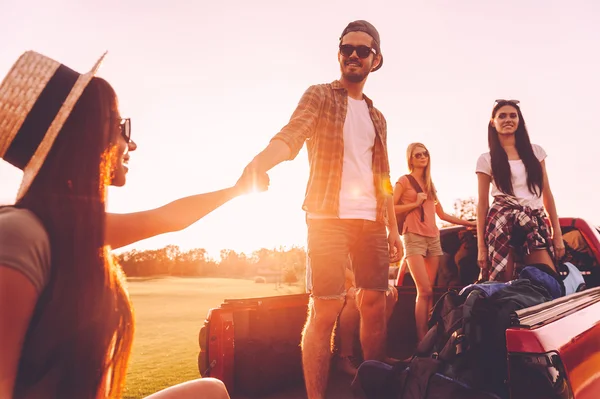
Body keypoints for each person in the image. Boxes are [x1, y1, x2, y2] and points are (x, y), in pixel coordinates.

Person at [0, 51, 267, 399]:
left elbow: (168, 219)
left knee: (210, 392)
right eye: (122, 126)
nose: (132, 143)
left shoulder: (73, 230)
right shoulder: (20, 234)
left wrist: (237, 190)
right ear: (87, 133)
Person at [242, 20, 401, 399]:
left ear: (375, 59)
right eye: (347, 48)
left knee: (375, 304)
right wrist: (260, 163)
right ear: (339, 54)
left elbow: (384, 178)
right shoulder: (320, 96)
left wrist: (393, 229)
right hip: (327, 218)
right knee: (326, 309)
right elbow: (292, 135)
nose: (353, 55)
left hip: (372, 223)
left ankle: (372, 388)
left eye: (362, 50)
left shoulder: (378, 117)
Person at [393, 142, 475, 341]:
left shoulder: (430, 184)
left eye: (425, 153)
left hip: (433, 239)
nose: (422, 157)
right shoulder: (403, 181)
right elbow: (391, 209)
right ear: (410, 159)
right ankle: (422, 341)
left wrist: (470, 223)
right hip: (413, 237)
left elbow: (442, 214)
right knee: (424, 290)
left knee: (430, 292)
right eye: (417, 154)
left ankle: (430, 339)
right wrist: (415, 203)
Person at [476, 99, 564, 282]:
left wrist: (557, 233)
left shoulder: (536, 152)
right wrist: (481, 247)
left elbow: (547, 194)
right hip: (502, 221)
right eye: (502, 116)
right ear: (493, 122)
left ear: (519, 120)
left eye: (513, 115)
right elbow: (482, 204)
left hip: (533, 220)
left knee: (548, 280)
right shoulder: (486, 159)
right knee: (503, 283)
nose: (508, 119)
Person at [305, 257, 398, 377]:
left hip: (353, 274)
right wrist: (358, 281)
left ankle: (378, 352)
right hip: (330, 273)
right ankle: (345, 356)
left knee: (390, 293)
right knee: (356, 297)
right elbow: (331, 261)